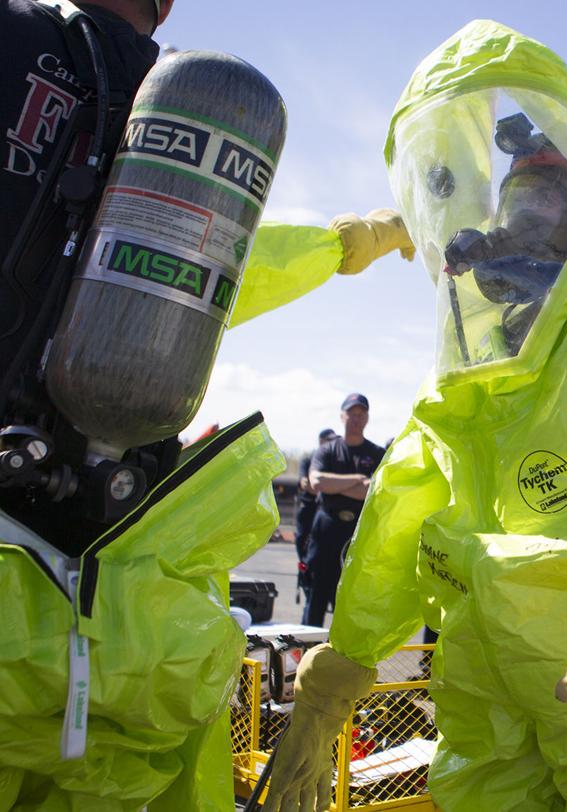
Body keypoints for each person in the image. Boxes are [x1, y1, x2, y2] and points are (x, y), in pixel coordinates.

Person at [261, 20, 567, 812]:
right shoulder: (477, 359)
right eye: (515, 199)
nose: (521, 221)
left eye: (546, 195)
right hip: (486, 672)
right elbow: (407, 503)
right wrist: (347, 661)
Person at [0, 5, 416, 806]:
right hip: (126, 622)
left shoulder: (31, 49)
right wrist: (346, 244)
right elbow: (212, 273)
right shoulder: (173, 97)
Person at [303, 395, 384, 628]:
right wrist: (357, 480)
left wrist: (337, 487)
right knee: (316, 596)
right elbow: (317, 481)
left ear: (367, 417)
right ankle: (309, 653)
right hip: (326, 529)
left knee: (350, 598)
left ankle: (342, 658)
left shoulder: (377, 453)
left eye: (361, 414)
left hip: (357, 532)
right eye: (352, 414)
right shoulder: (328, 451)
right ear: (342, 416)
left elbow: (374, 491)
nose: (356, 419)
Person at [294, 427, 338, 600]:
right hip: (309, 510)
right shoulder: (309, 460)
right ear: (321, 441)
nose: (332, 444)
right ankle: (305, 577)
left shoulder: (333, 461)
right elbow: (308, 485)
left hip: (325, 511)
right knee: (302, 543)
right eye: (329, 440)